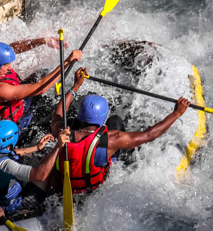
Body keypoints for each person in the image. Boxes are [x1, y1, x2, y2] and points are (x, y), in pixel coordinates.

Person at [50, 68, 191, 194]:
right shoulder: (112, 139)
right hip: (93, 189)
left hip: (66, 187)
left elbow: (58, 114)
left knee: (73, 123)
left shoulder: (63, 132)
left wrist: (76, 86)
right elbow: (150, 134)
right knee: (116, 121)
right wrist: (176, 113)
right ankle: (115, 159)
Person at [0, 38, 81, 132]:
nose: (10, 67)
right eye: (6, 65)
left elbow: (13, 48)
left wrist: (43, 40)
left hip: (4, 102)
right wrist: (68, 61)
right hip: (7, 125)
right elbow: (41, 88)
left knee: (44, 73)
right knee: (54, 112)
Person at [0, 120, 70, 213]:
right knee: (49, 163)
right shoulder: (5, 165)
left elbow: (4, 153)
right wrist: (57, 147)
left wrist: (36, 147)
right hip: (10, 205)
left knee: (45, 159)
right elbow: (40, 175)